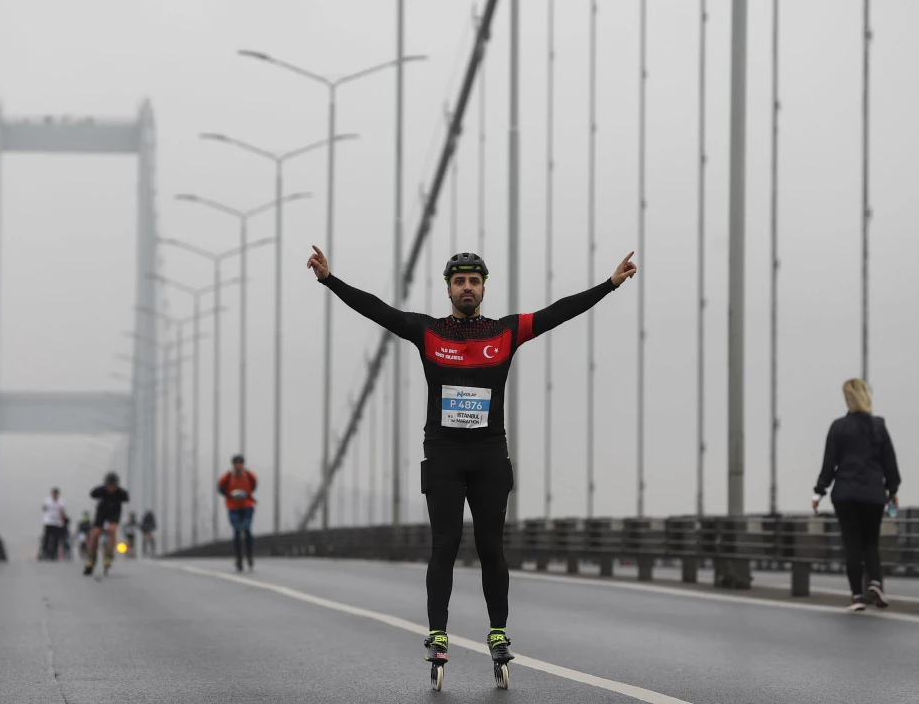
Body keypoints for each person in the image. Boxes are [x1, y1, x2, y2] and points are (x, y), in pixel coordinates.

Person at [307, 245, 635, 673]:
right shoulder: (427, 331)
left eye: (474, 281)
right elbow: (377, 310)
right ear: (448, 288)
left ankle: (498, 633)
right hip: (443, 455)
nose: (467, 287)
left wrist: (608, 286)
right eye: (459, 281)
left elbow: (559, 312)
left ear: (483, 288)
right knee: (444, 546)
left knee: (490, 548)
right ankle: (438, 632)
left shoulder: (505, 332)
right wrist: (331, 280)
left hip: (489, 455)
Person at [813, 378, 902, 611]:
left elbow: (829, 464)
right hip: (873, 494)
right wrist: (893, 490)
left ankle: (856, 597)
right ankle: (875, 583)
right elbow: (889, 462)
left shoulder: (838, 427)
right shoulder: (878, 426)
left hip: (845, 494)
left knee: (853, 545)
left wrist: (819, 492)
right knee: (871, 543)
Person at [83, 472, 130, 576]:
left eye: (113, 486)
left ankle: (108, 554)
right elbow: (92, 494)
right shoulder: (100, 490)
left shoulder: (120, 493)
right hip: (102, 512)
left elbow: (127, 498)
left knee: (112, 530)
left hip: (114, 512)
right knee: (95, 534)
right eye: (109, 486)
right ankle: (91, 557)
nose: (111, 489)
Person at [218, 454, 258, 572]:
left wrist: (246, 494)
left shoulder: (249, 475)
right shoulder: (227, 477)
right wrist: (229, 496)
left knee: (247, 529)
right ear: (233, 465)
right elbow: (220, 488)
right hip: (233, 507)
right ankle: (239, 559)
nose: (238, 466)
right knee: (236, 531)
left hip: (247, 506)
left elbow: (254, 485)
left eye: (240, 464)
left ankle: (249, 556)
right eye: (236, 464)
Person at [40, 488, 68, 561]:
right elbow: (44, 508)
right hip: (48, 521)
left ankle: (54, 553)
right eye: (54, 493)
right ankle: (44, 551)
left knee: (56, 538)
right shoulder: (47, 501)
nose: (55, 495)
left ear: (58, 494)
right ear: (52, 494)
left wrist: (63, 521)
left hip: (57, 522)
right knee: (46, 537)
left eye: (56, 493)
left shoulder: (61, 502)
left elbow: (62, 511)